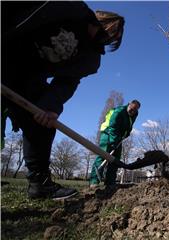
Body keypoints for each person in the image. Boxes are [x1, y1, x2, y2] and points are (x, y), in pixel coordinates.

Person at [2, 1, 125, 200]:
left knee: (43, 124)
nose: (106, 40)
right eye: (110, 32)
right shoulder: (70, 8)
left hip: (26, 78)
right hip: (7, 48)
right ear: (102, 21)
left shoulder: (91, 59)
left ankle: (39, 185)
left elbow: (67, 82)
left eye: (111, 40)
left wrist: (50, 106)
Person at [89, 100, 140, 188]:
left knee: (115, 159)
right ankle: (94, 181)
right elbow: (113, 127)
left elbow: (129, 125)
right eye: (132, 109)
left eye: (135, 110)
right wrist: (114, 141)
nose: (133, 111)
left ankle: (110, 182)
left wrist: (126, 134)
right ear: (129, 104)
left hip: (118, 137)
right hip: (108, 134)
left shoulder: (134, 114)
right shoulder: (119, 112)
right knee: (103, 155)